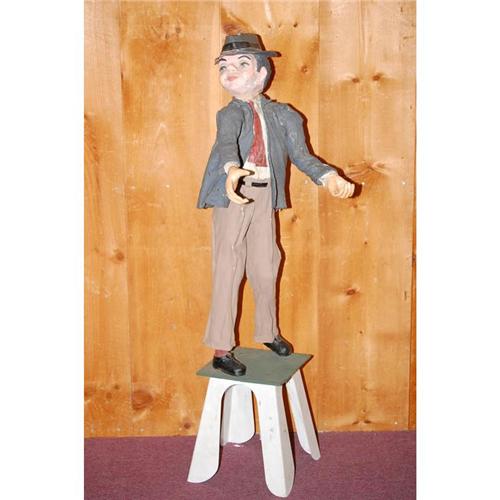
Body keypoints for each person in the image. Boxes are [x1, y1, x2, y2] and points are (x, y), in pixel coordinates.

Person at [197, 33, 355, 376]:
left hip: (265, 194)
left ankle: (268, 331)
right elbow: (226, 144)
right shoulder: (229, 114)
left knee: (267, 262)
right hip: (234, 194)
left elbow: (301, 155)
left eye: (241, 64)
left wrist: (328, 177)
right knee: (228, 266)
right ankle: (221, 348)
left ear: (261, 72)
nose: (230, 71)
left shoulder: (283, 115)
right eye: (224, 66)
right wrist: (231, 169)